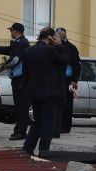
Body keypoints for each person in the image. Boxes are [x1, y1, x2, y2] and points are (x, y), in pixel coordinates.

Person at [21, 27, 69, 156]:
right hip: (50, 93)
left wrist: (26, 91)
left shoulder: (28, 51)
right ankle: (44, 151)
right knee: (48, 124)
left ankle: (28, 148)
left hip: (34, 93)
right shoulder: (51, 50)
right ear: (50, 37)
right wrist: (60, 46)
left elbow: (25, 74)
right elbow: (65, 59)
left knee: (37, 122)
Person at [0, 22, 30, 140]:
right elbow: (8, 50)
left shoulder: (22, 43)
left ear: (16, 31)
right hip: (17, 78)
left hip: (21, 79)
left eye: (11, 30)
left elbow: (15, 59)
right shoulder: (18, 43)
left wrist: (6, 65)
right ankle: (19, 130)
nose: (10, 32)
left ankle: (21, 132)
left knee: (21, 107)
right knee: (19, 106)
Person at [55, 28, 80, 135]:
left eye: (61, 34)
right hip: (55, 79)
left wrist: (74, 80)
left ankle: (65, 126)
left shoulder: (71, 48)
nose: (59, 36)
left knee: (67, 104)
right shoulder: (53, 46)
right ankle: (57, 125)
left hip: (68, 81)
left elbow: (77, 65)